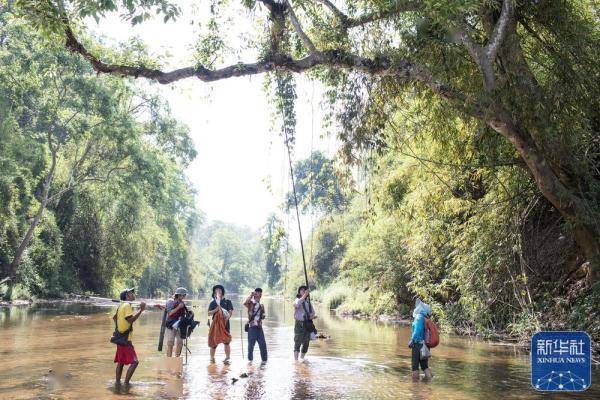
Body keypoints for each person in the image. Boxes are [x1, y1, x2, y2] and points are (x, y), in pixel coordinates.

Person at [113, 287, 146, 385]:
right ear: (127, 296)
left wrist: (119, 329)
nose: (133, 294)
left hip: (120, 338)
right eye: (131, 293)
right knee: (135, 362)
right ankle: (126, 385)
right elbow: (130, 320)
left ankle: (117, 384)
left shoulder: (121, 306)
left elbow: (114, 318)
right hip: (125, 340)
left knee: (121, 362)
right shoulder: (127, 305)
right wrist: (141, 310)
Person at [408, 298, 433, 381]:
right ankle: (428, 381)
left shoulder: (419, 317)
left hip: (417, 345)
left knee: (415, 366)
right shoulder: (427, 318)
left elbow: (417, 331)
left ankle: (415, 387)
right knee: (424, 366)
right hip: (425, 346)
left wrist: (412, 340)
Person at [207, 284, 234, 364]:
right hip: (215, 325)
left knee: (226, 341)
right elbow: (209, 313)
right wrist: (216, 309)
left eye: (219, 290)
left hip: (225, 324)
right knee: (213, 342)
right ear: (214, 293)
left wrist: (227, 318)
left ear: (222, 292)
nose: (218, 291)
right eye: (216, 290)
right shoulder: (213, 303)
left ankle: (227, 358)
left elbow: (230, 312)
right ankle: (212, 358)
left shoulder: (227, 302)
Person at [243, 288, 267, 363]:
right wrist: (251, 295)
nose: (258, 294)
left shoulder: (262, 306)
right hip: (252, 327)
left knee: (263, 345)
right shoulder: (250, 304)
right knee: (251, 346)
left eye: (260, 293)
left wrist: (263, 316)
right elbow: (245, 303)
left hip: (259, 328)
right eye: (257, 293)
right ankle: (250, 362)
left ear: (261, 295)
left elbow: (263, 315)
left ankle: (264, 362)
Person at [293, 285, 316, 362]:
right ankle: (296, 361)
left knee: (306, 343)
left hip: (307, 324)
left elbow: (313, 312)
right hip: (299, 324)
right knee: (297, 342)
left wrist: (311, 316)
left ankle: (302, 359)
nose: (303, 291)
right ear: (299, 292)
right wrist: (304, 296)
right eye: (302, 290)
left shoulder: (308, 302)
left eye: (305, 290)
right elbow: (296, 305)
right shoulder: (297, 299)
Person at [165, 287, 188, 357]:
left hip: (179, 325)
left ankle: (177, 357)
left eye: (184, 295)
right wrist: (178, 307)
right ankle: (169, 358)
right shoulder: (170, 301)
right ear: (179, 295)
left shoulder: (182, 303)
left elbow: (184, 314)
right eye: (183, 295)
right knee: (170, 342)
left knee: (180, 342)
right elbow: (170, 313)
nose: (184, 297)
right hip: (170, 325)